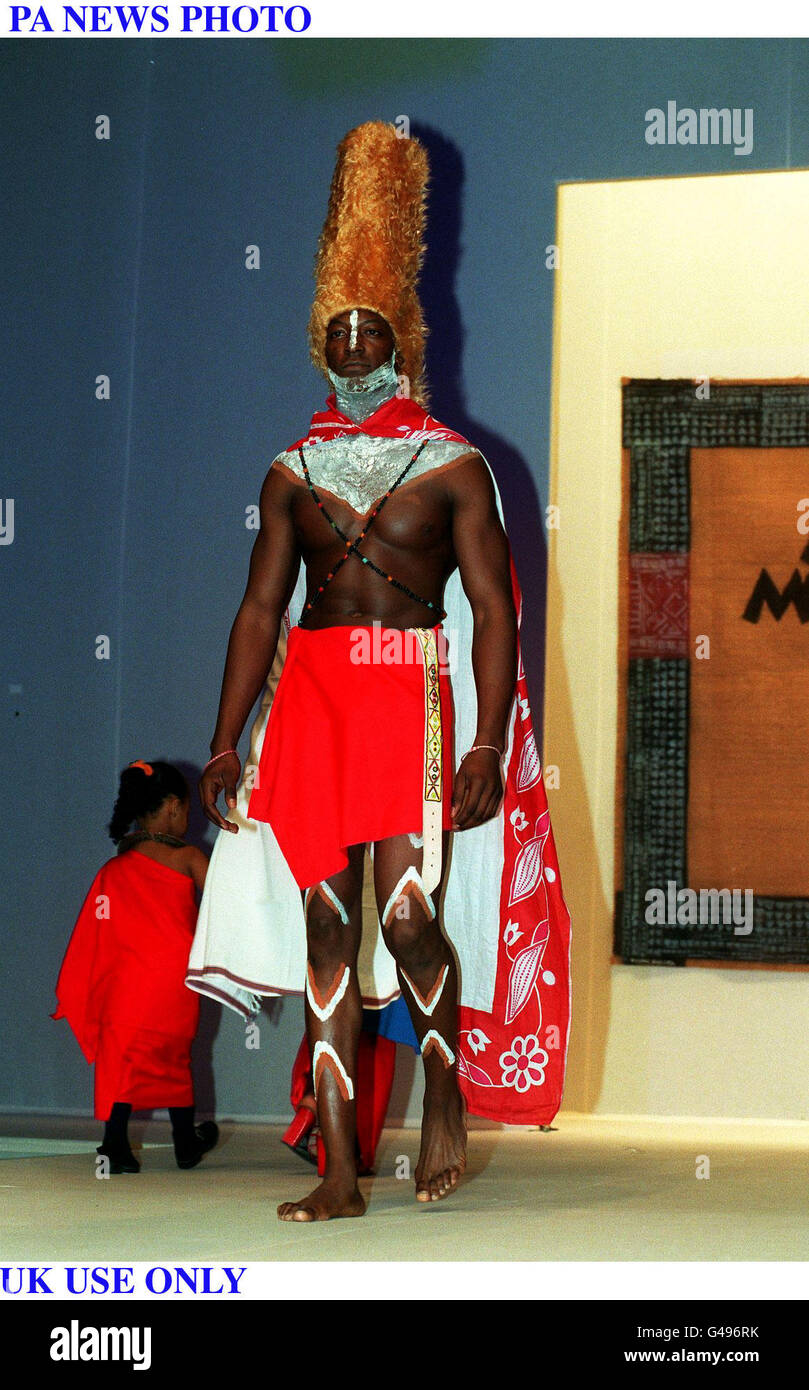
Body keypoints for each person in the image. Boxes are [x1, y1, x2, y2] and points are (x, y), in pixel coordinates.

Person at [195, 122, 572, 1223]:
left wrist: (488, 740)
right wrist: (226, 737)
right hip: (311, 699)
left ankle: (445, 1095)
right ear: (320, 345)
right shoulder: (288, 470)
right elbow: (260, 606)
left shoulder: (454, 464)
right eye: (338, 333)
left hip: (408, 693)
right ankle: (341, 1167)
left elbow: (496, 607)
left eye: (372, 330)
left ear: (402, 338)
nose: (355, 349)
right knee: (325, 926)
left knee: (406, 918)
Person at [53, 760, 218, 1173]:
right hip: (173, 980)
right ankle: (185, 1143)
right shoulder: (190, 858)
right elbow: (223, 902)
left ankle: (114, 1143)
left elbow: (99, 931)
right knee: (174, 1056)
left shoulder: (114, 868)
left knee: (123, 1060)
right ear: (174, 808)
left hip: (125, 986)